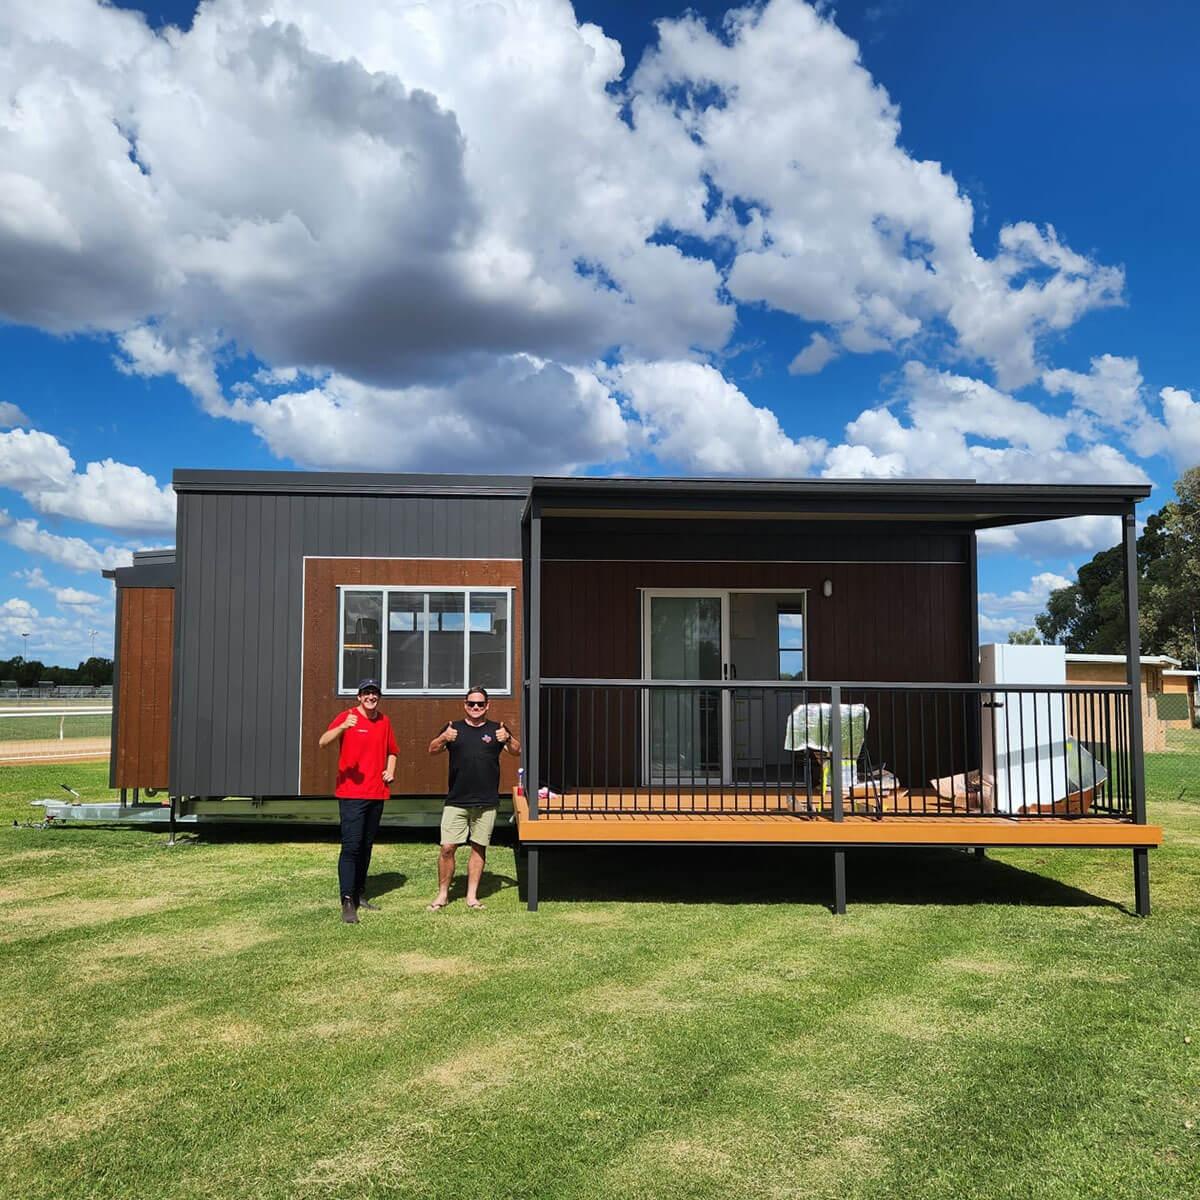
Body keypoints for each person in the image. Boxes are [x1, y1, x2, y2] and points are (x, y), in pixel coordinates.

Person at [426, 686, 520, 911]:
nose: (475, 707)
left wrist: (508, 738)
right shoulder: (453, 727)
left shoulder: (497, 728)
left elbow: (517, 750)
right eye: (471, 703)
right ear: (465, 705)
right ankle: (442, 895)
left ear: (487, 706)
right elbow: (432, 749)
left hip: (486, 801)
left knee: (478, 848)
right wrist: (443, 737)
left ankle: (471, 896)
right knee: (447, 848)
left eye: (480, 704)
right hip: (457, 800)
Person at [319, 679, 398, 924]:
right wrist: (343, 726)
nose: (370, 697)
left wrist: (390, 770)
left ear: (379, 697)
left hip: (376, 792)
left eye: (374, 693)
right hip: (352, 794)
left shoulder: (384, 721)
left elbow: (392, 751)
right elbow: (323, 741)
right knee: (351, 846)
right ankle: (347, 900)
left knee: (366, 845)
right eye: (366, 693)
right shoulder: (347, 717)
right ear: (359, 697)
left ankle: (359, 893)